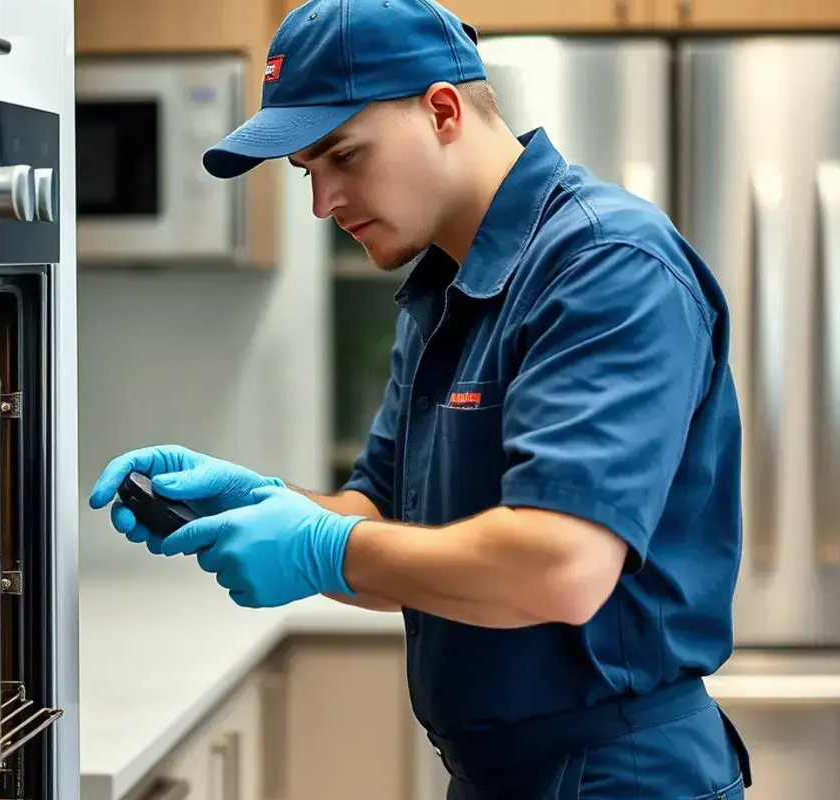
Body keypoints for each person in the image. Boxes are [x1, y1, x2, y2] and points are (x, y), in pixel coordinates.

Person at [88, 0, 754, 797]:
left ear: (442, 110)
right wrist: (262, 504)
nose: (321, 203)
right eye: (307, 171)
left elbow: (560, 567)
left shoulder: (604, 266)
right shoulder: (444, 287)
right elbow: (387, 529)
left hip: (620, 777)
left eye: (344, 156)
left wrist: (318, 548)